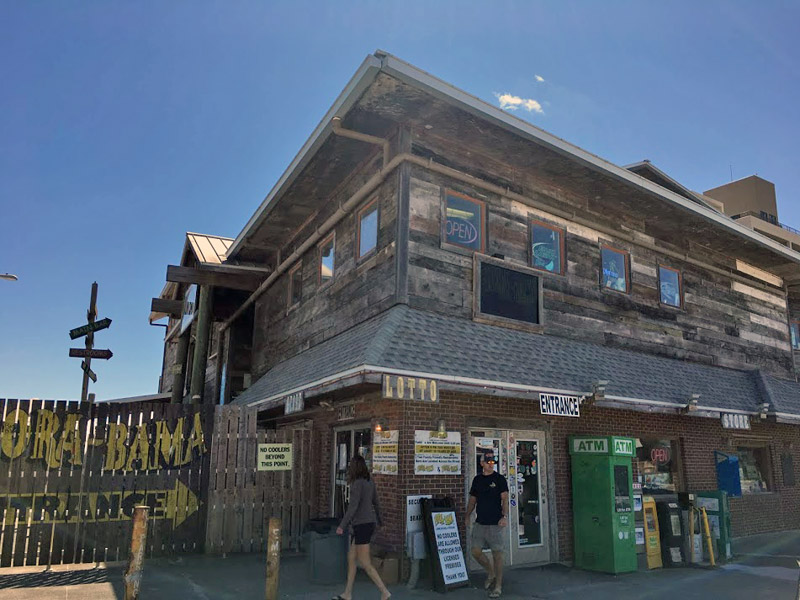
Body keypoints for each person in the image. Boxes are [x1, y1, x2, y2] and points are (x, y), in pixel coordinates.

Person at [333, 455, 391, 600]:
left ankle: (385, 592)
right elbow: (376, 503)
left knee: (365, 563)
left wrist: (342, 525)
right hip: (368, 523)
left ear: (354, 468)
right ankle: (347, 593)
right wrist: (381, 522)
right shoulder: (370, 481)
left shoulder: (357, 484)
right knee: (351, 557)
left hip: (361, 525)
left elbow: (353, 507)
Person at [466, 450, 509, 599]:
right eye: (488, 462)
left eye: (493, 462)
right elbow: (473, 499)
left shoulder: (499, 479)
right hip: (480, 522)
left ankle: (498, 586)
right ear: (482, 463)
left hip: (495, 523)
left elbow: (505, 499)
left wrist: (504, 516)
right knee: (475, 551)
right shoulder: (477, 480)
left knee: (498, 554)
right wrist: (467, 515)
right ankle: (490, 572)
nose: (491, 465)